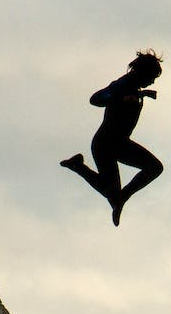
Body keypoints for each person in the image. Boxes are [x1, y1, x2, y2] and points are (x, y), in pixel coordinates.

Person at [61, 50, 164, 226]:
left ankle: (117, 194)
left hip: (121, 144)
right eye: (152, 77)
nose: (152, 81)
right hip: (105, 145)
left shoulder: (134, 88)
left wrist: (143, 94)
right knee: (117, 194)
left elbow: (131, 95)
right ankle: (79, 167)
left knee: (154, 168)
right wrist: (120, 98)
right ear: (142, 73)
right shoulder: (122, 84)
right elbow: (95, 99)